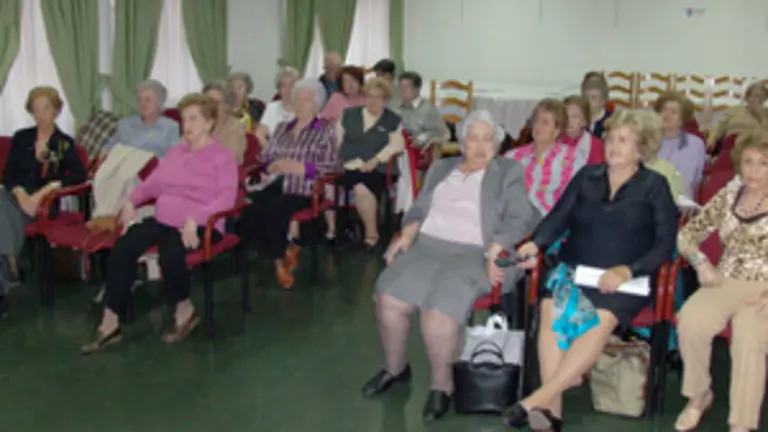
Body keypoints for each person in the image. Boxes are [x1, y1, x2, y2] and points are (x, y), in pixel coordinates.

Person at [503, 109, 678, 431]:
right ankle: (550, 409)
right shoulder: (588, 176)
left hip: (624, 280)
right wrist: (535, 244)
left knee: (598, 319)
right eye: (610, 138)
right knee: (551, 309)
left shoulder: (655, 186)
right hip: (577, 271)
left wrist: (628, 270)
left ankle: (534, 400)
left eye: (623, 140)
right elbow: (558, 218)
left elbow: (665, 245)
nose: (612, 145)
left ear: (641, 148)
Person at [361, 110, 539, 422]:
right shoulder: (442, 168)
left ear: (497, 144)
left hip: (475, 253)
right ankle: (395, 369)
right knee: (389, 298)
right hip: (428, 246)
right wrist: (407, 232)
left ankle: (442, 386)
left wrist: (497, 245)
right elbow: (418, 208)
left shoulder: (508, 171)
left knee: (438, 311)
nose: (481, 146)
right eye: (474, 138)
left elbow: (522, 216)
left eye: (488, 139)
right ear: (462, 141)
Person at [80, 93, 238, 354]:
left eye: (193, 119)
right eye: (184, 119)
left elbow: (226, 197)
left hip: (203, 224)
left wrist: (194, 219)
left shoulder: (222, 157)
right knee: (124, 247)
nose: (187, 125)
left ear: (209, 123)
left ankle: (184, 311)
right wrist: (131, 200)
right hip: (165, 219)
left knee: (171, 253)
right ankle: (109, 323)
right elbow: (153, 183)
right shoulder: (177, 152)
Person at [674, 130, 768, 432]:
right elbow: (688, 233)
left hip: (765, 287)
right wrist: (700, 262)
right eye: (748, 162)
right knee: (690, 319)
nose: (753, 170)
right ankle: (699, 395)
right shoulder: (730, 194)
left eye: (763, 163)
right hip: (726, 278)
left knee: (748, 333)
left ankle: (742, 423)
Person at [241, 79, 338, 289]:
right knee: (251, 206)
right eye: (297, 99)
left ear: (317, 104)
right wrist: (271, 166)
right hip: (278, 182)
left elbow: (330, 164)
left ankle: (278, 261)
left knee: (276, 209)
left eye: (305, 100)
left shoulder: (325, 129)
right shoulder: (282, 128)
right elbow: (265, 157)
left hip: (306, 187)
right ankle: (280, 249)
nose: (299, 103)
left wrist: (301, 168)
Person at [0, 86, 86, 309]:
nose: (41, 115)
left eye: (46, 108)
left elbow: (79, 174)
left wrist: (47, 189)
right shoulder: (21, 138)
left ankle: (9, 267)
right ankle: (8, 262)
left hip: (44, 206)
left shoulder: (64, 143)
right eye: (36, 110)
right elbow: (8, 174)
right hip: (15, 200)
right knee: (2, 204)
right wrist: (21, 195)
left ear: (56, 110)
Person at [335, 78, 405, 249]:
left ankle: (371, 234)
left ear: (385, 100)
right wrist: (336, 159)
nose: (373, 101)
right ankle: (335, 231)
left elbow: (397, 145)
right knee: (354, 182)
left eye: (378, 97)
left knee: (361, 187)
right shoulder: (349, 114)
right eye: (369, 96)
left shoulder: (393, 120)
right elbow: (336, 139)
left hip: (379, 168)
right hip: (349, 165)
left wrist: (376, 160)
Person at [506, 98, 587, 216]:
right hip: (515, 221)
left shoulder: (572, 159)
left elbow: (578, 199)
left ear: (557, 130)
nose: (538, 126)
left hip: (551, 223)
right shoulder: (513, 157)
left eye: (545, 122)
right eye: (536, 120)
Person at [104, 79, 179, 157]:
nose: (143, 104)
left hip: (157, 168)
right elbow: (107, 151)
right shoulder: (125, 125)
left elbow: (174, 158)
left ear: (160, 102)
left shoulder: (170, 127)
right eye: (140, 99)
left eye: (147, 99)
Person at [654, 92, 707, 195]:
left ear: (682, 119)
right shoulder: (649, 141)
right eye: (664, 110)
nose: (667, 115)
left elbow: (692, 180)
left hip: (681, 201)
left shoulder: (695, 144)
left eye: (674, 112)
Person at [391, 71, 445, 149]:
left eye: (406, 87)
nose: (402, 90)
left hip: (418, 149)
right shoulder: (395, 107)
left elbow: (439, 132)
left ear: (417, 89)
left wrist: (421, 138)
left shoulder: (427, 109)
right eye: (400, 86)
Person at [708, 80, 768, 150]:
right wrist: (711, 141)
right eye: (756, 96)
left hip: (755, 147)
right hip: (732, 145)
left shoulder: (765, 113)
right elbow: (719, 127)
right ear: (747, 97)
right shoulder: (735, 110)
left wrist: (761, 116)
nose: (759, 100)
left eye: (763, 97)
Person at [203, 80, 247, 162]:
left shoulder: (236, 127)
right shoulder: (198, 123)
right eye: (208, 102)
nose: (212, 106)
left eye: (217, 102)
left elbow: (227, 158)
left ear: (227, 105)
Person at [256, 66, 300, 145]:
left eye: (291, 85)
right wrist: (270, 151)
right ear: (279, 90)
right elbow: (259, 135)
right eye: (283, 86)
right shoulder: (272, 108)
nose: (288, 90)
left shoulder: (307, 108)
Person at [561, 95, 604, 164]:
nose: (568, 120)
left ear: (584, 121)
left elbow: (597, 171)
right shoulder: (555, 140)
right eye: (565, 115)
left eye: (574, 116)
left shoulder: (596, 145)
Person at [581, 72, 612, 139]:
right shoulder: (579, 118)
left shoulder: (611, 120)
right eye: (586, 97)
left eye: (593, 97)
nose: (589, 101)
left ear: (603, 99)